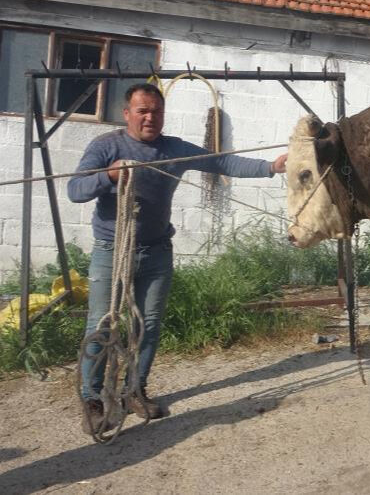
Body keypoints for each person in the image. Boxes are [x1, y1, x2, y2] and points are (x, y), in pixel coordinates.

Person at [68, 83, 286, 434]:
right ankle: (92, 400)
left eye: (156, 111)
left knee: (149, 326)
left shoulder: (174, 149)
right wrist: (110, 174)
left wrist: (270, 166)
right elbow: (75, 190)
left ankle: (134, 391)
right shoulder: (106, 146)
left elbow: (221, 162)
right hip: (111, 250)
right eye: (142, 111)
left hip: (156, 251)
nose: (150, 117)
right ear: (127, 114)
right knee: (101, 325)